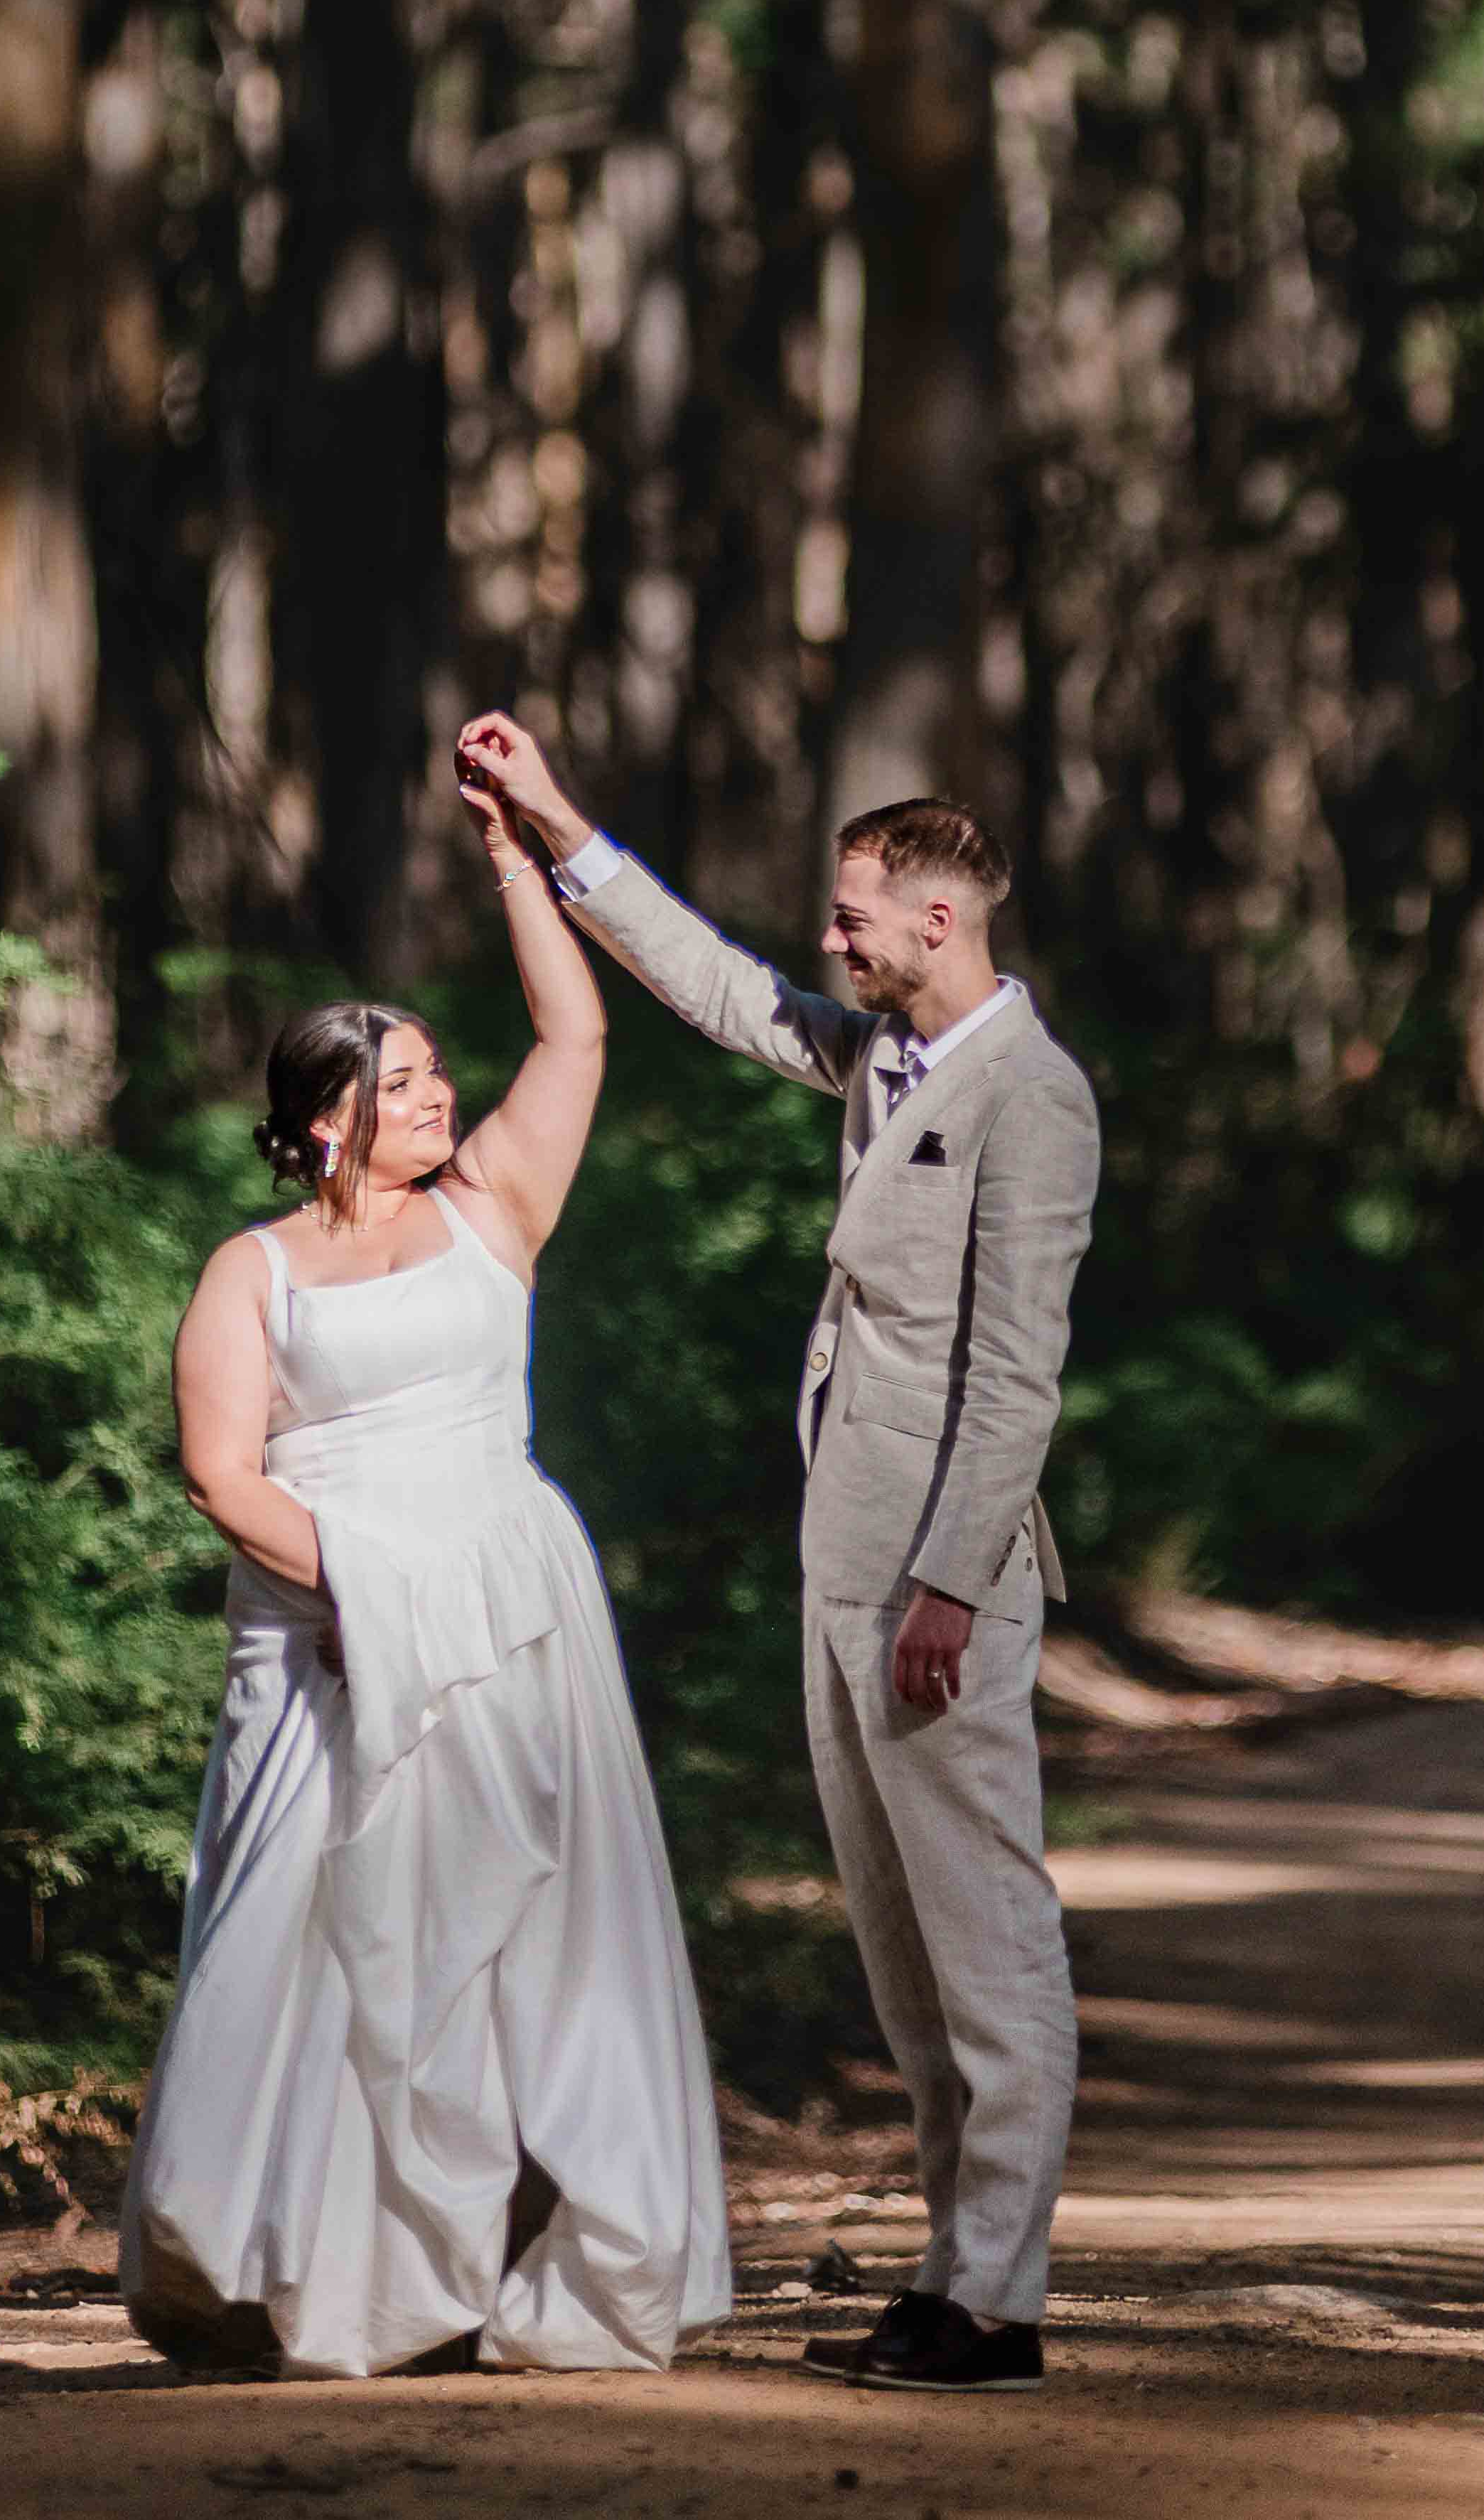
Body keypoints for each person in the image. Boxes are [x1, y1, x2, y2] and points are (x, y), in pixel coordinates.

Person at [456, 711, 1100, 2399]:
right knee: (900, 1951)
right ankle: (952, 2270)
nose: (832, 938)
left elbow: (1017, 1369)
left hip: (941, 1583)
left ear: (940, 921)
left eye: (855, 916)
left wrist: (953, 1585)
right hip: (846, 1558)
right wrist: (549, 821)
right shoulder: (881, 1058)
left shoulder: (1032, 1097)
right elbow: (716, 983)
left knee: (988, 1933)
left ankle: (997, 2302)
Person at [117, 760, 730, 2379]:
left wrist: (513, 852)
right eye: (403, 1088)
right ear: (327, 1120)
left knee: (526, 1930)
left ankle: (495, 2263)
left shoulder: (495, 1211)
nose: (438, 1101)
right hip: (329, 1624)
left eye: (440, 1078)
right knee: (305, 1927)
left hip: (514, 1608)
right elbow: (220, 1471)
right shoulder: (247, 1272)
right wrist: (359, 1597)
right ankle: (285, 2267)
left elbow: (578, 1039)